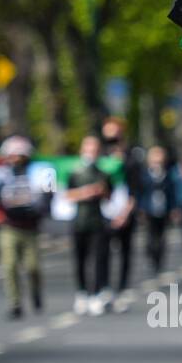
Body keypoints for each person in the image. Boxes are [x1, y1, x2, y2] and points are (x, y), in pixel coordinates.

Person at [0, 135, 50, 320]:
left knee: (32, 267)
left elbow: (48, 195)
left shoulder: (38, 171)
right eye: (11, 155)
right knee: (10, 266)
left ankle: (36, 293)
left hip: (30, 227)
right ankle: (15, 303)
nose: (15, 158)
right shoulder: (1, 175)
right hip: (9, 226)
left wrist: (38, 209)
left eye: (19, 154)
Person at [67, 135, 111, 316]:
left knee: (99, 259)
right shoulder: (75, 173)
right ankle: (82, 292)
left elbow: (110, 196)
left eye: (94, 150)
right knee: (80, 259)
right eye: (88, 149)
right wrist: (85, 192)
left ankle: (97, 293)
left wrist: (102, 191)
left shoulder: (103, 173)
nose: (91, 153)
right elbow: (67, 195)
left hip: (97, 221)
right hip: (79, 222)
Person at [100, 118, 141, 313]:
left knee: (125, 251)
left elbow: (135, 189)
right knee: (103, 252)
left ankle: (123, 288)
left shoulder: (130, 159)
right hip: (105, 213)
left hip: (125, 212)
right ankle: (105, 289)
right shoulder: (101, 159)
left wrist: (125, 213)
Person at [141, 146, 182, 276]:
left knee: (161, 237)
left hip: (163, 209)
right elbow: (141, 192)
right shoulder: (145, 174)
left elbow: (172, 192)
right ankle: (151, 254)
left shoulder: (168, 174)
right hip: (149, 209)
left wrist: (174, 209)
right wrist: (141, 209)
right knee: (150, 235)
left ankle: (158, 260)